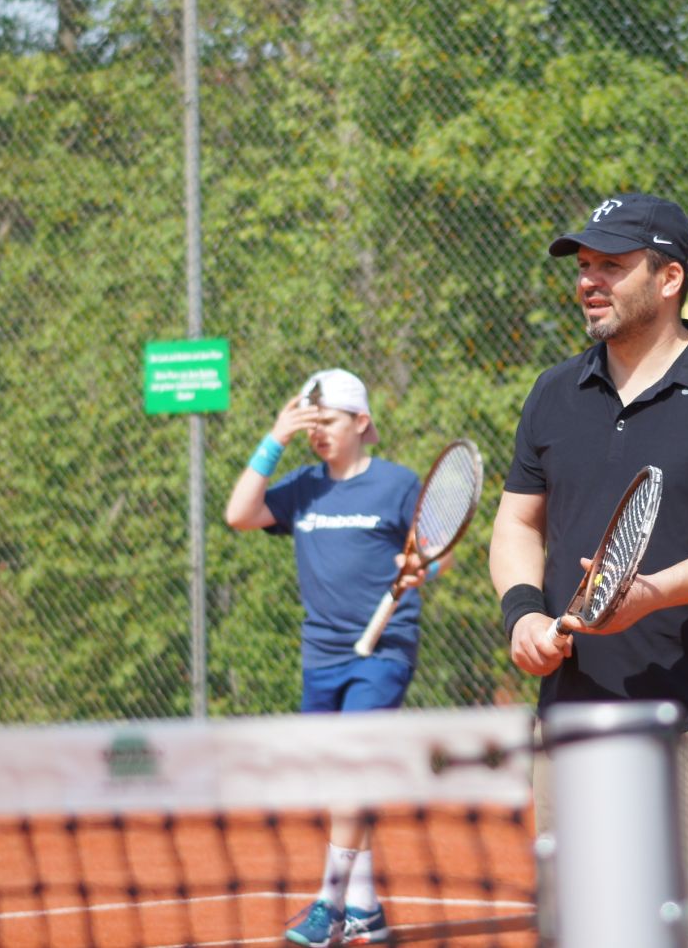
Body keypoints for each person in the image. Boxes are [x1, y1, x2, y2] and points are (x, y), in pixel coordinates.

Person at [489, 193, 688, 946]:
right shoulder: (554, 393)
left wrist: (655, 591)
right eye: (583, 266)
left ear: (669, 278)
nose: (588, 281)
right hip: (573, 714)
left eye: (612, 265)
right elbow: (517, 522)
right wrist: (523, 612)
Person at [224, 368, 440, 947]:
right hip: (320, 655)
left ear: (361, 422)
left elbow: (434, 550)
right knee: (337, 780)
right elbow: (239, 515)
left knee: (349, 767)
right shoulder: (303, 486)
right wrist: (276, 437)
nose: (317, 432)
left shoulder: (396, 484)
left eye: (328, 422)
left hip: (383, 652)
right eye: (310, 424)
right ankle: (366, 906)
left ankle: (331, 905)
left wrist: (418, 566)